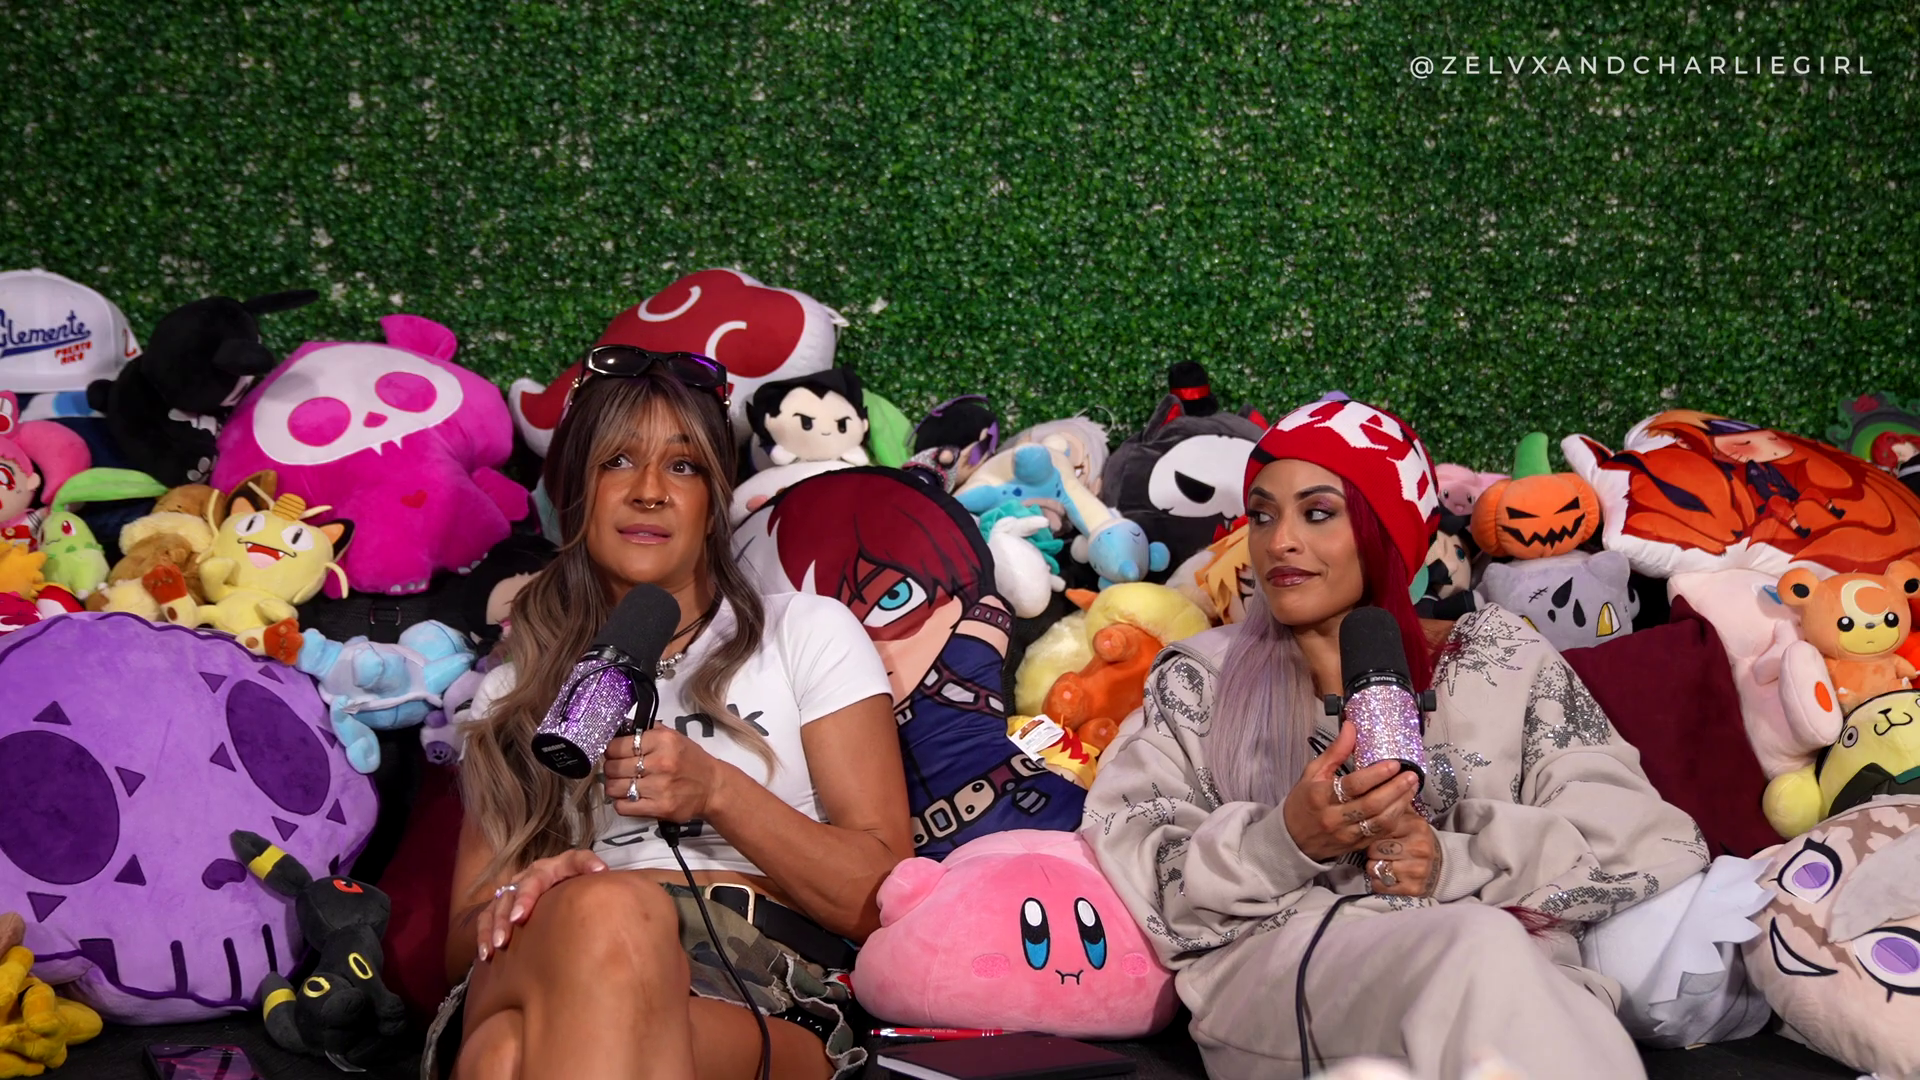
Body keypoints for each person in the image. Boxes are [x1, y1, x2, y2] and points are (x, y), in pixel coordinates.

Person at [1080, 398, 1708, 1080]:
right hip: (1289, 984)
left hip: (1516, 985)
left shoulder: (1499, 658)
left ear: (1386, 530)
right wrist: (1284, 841)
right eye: (1261, 515)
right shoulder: (1202, 678)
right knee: (1477, 946)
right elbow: (1136, 856)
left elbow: (1647, 844)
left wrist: (1451, 862)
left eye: (1317, 513)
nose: (1279, 541)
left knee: (1492, 955)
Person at [430, 347, 912, 1080]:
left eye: (683, 466)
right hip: (549, 949)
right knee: (604, 913)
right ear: (575, 490)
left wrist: (719, 791)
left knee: (503, 1059)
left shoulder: (804, 632)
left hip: (758, 979)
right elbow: (461, 950)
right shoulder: (517, 690)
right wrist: (530, 897)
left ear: (714, 499)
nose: (650, 491)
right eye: (617, 462)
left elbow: (880, 902)